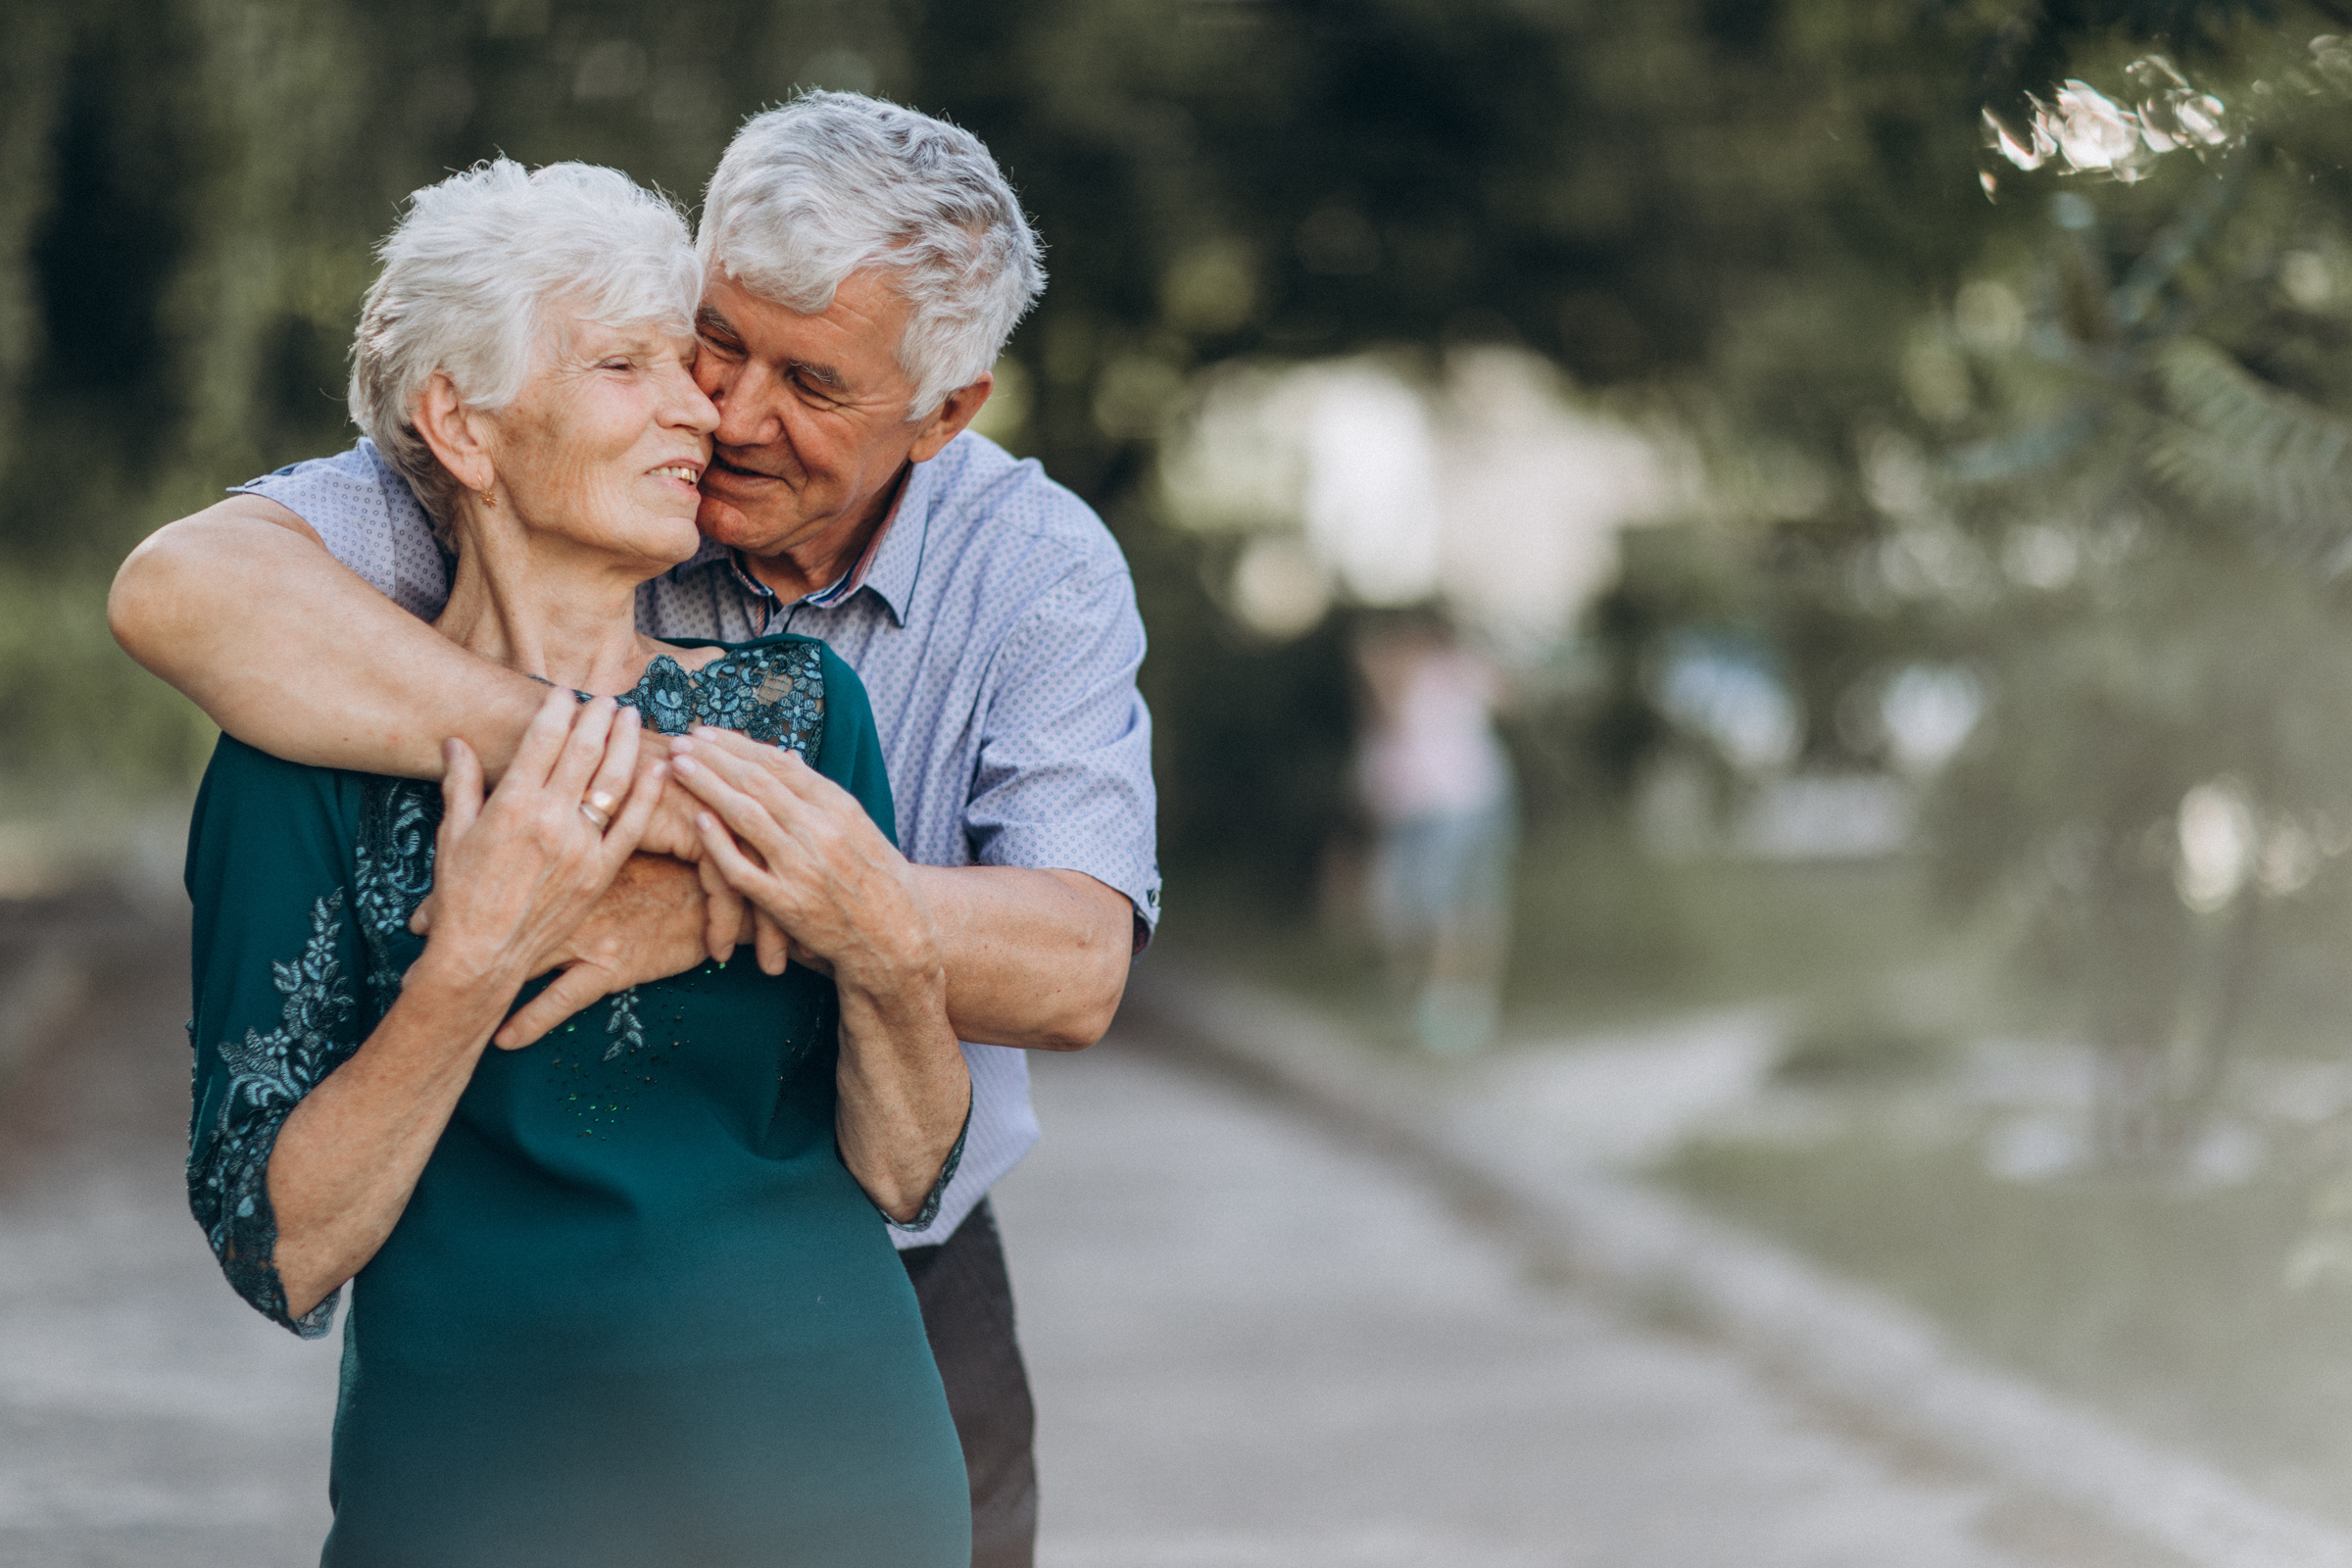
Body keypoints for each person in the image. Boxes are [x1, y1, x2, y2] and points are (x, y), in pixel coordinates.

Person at [111, 91, 1158, 1568]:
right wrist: (605, 808)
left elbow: (1070, 973)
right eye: (695, 344)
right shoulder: (406, 573)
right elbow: (177, 591)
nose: (719, 410)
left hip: (875, 1345)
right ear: (467, 432)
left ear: (943, 412)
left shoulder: (982, 601)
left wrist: (802, 901)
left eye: (809, 380)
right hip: (491, 1442)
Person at [1353, 615, 1516, 1054]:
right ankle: (1421, 1002)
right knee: (1408, 907)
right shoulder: (1410, 680)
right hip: (1422, 809)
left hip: (1460, 803)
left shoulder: (1444, 673)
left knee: (1452, 906)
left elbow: (1504, 698)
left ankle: (1452, 1009)